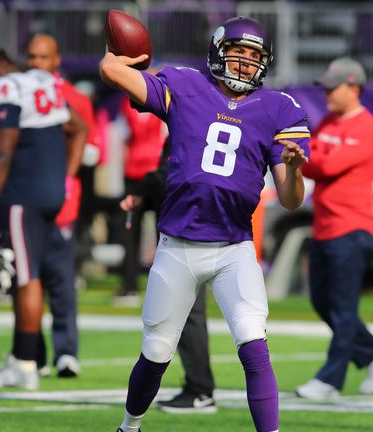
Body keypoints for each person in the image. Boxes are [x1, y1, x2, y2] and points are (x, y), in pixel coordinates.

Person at [100, 16, 310, 432]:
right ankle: (129, 426)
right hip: (178, 246)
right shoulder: (184, 85)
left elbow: (289, 200)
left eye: (255, 55)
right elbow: (112, 71)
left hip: (234, 248)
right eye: (239, 51)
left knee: (254, 344)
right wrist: (118, 56)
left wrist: (295, 170)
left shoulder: (280, 109)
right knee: (156, 352)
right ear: (218, 50)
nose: (246, 61)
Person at [0, 49, 86, 390]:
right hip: (50, 194)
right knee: (32, 275)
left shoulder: (4, 86)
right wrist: (66, 177)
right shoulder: (42, 82)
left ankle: (25, 363)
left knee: (26, 277)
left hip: (25, 195)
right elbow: (79, 128)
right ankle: (22, 358)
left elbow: (4, 148)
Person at [295, 58, 373, 400]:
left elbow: (325, 163)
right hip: (325, 225)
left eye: (332, 86)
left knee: (342, 307)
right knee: (323, 302)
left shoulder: (366, 126)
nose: (325, 92)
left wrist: (305, 159)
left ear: (354, 88)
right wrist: (308, 160)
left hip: (352, 227)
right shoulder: (328, 121)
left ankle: (331, 380)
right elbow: (313, 163)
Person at [120, 139, 218, 414]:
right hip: (220, 226)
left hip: (194, 229)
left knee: (186, 314)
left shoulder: (193, 115)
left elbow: (173, 172)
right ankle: (200, 388)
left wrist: (142, 188)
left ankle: (200, 389)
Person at [24, 32, 93, 378]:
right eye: (31, 57)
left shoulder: (74, 99)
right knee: (26, 280)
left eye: (43, 57)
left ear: (57, 60)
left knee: (61, 281)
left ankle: (66, 352)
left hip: (61, 203)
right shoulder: (15, 90)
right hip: (24, 201)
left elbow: (89, 144)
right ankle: (30, 354)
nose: (36, 63)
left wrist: (65, 178)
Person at [115, 93, 167, 307]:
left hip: (149, 173)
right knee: (133, 231)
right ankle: (132, 285)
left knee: (159, 233)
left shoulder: (162, 103)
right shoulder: (130, 104)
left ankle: (155, 286)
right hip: (142, 173)